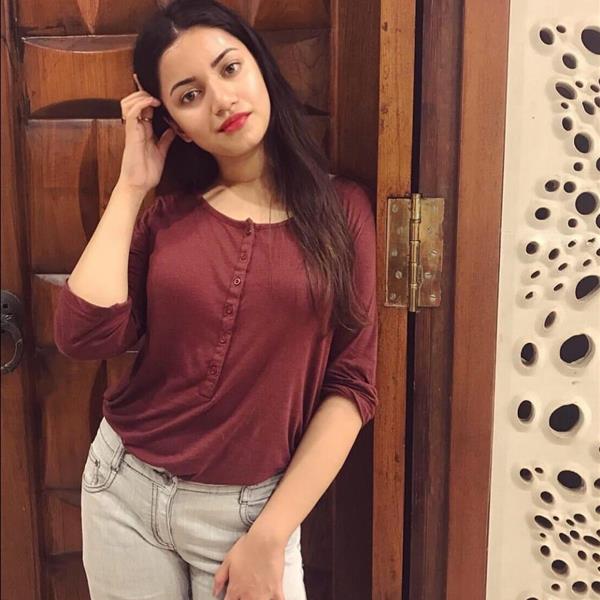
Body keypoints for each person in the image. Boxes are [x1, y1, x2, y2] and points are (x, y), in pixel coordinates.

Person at [53, 1, 379, 598]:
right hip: (124, 490)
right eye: (189, 95)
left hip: (249, 517)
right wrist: (131, 186)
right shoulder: (168, 218)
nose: (222, 100)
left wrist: (270, 536)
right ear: (175, 123)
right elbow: (82, 335)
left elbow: (351, 387)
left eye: (230, 69)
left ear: (259, 65)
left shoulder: (344, 212)